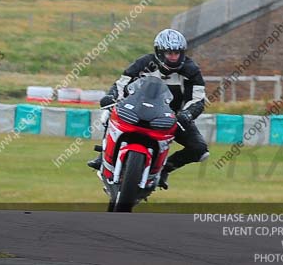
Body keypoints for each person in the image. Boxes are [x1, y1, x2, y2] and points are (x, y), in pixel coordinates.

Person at [87, 29, 209, 189]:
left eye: (177, 53)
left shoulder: (191, 71)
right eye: (169, 53)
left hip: (171, 118)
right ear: (159, 52)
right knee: (109, 112)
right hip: (135, 111)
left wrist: (187, 114)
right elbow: (122, 83)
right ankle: (103, 155)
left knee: (200, 150)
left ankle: (165, 169)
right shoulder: (145, 63)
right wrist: (112, 96)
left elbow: (198, 99)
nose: (173, 57)